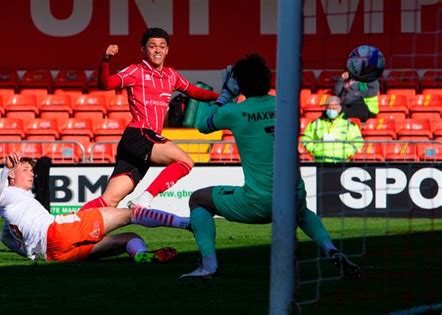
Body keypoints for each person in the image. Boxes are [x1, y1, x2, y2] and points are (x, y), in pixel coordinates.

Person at [179, 54, 361, 279]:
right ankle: (330, 249)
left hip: (259, 203)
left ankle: (209, 266)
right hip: (293, 195)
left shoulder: (233, 112)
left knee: (198, 199)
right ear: (267, 79)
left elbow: (202, 124)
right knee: (302, 212)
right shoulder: (286, 105)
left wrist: (226, 93)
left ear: (239, 84)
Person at [81, 27, 219, 211]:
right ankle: (144, 199)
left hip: (142, 142)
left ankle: (66, 223)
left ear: (167, 50)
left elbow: (194, 92)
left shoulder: (171, 75)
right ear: (143, 50)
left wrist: (221, 97)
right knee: (185, 161)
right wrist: (106, 60)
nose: (157, 50)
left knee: (109, 202)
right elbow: (105, 84)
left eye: (162, 46)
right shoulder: (135, 71)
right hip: (139, 134)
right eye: (152, 46)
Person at [0, 151, 191, 262]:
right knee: (130, 214)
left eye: (32, 170)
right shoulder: (7, 194)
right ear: (12, 176)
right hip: (58, 232)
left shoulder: (12, 206)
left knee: (129, 239)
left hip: (54, 255)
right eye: (25, 169)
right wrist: (5, 169)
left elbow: (5, 237)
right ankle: (187, 224)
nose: (32, 173)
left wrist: (30, 254)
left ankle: (142, 257)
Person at [301, 95, 363, 162]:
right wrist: (314, 149)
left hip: (340, 162)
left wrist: (346, 153)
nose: (331, 111)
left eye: (334, 109)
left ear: (339, 108)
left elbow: (358, 142)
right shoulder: (316, 123)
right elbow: (306, 138)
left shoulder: (349, 125)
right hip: (320, 161)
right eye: (329, 108)